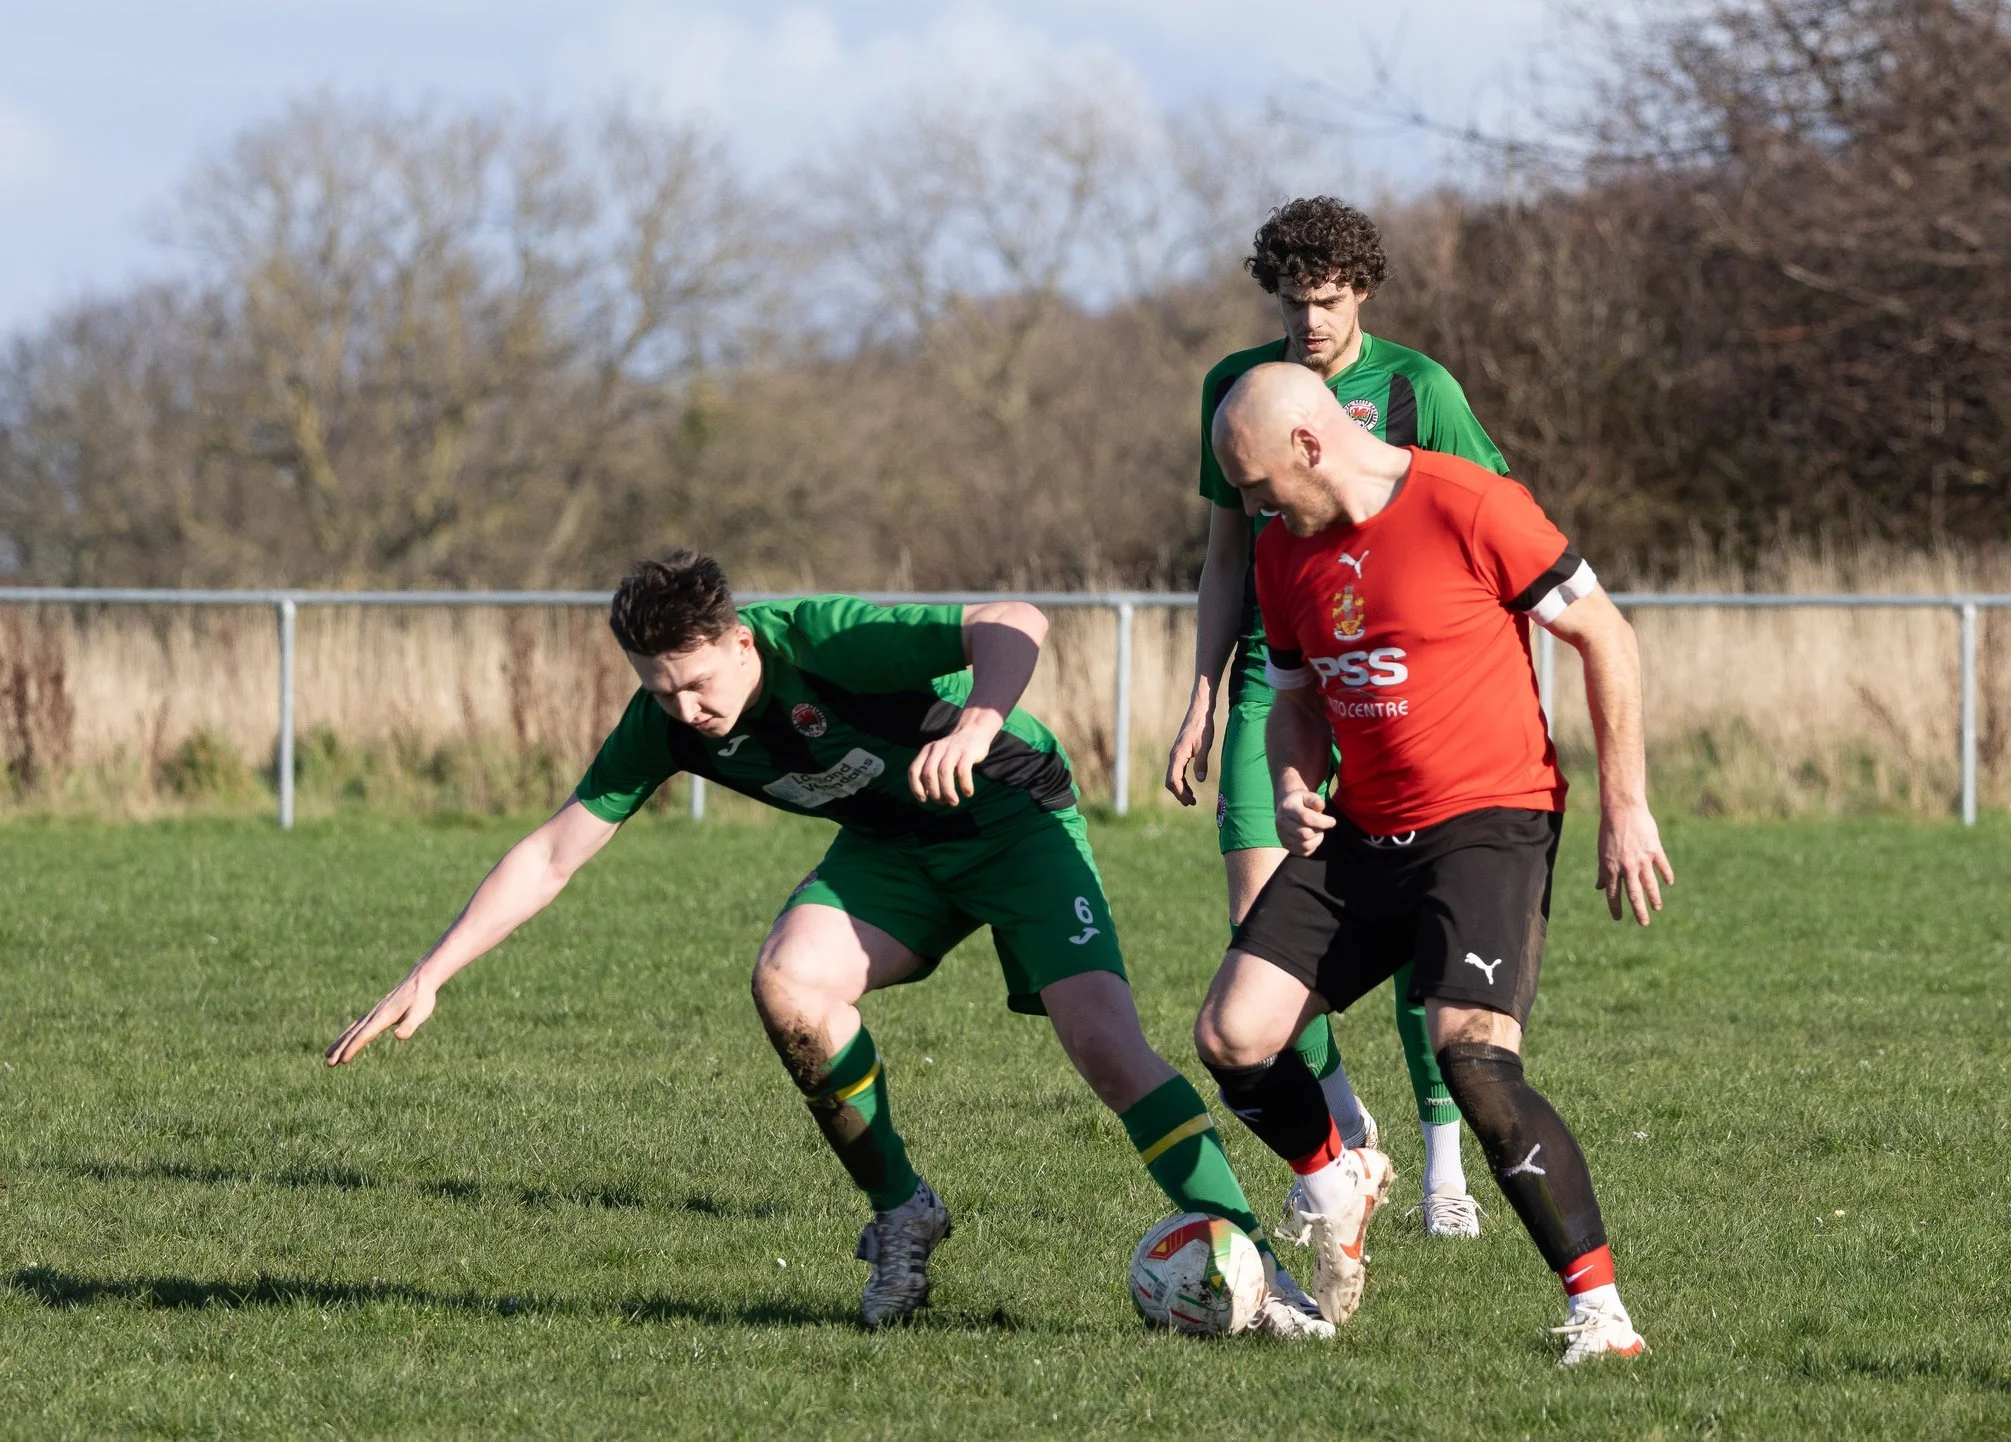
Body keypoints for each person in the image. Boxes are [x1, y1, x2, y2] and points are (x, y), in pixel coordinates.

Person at [326, 550, 1330, 1339]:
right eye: (660, 688)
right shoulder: (668, 723)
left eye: (696, 682)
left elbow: (1014, 623)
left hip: (1009, 820)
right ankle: (903, 1210)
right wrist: (430, 974)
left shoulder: (824, 641)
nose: (686, 708)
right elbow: (553, 852)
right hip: (896, 847)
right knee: (789, 984)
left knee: (1107, 1049)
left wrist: (978, 726)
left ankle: (1258, 1270)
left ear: (737, 637)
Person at [1191, 364, 1671, 1364]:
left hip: (1488, 824)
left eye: (1257, 482)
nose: (1251, 507)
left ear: (1311, 446)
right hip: (1365, 832)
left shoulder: (1471, 503)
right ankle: (1341, 1178)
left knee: (1473, 1056)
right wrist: (1290, 783)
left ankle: (1600, 1313)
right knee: (1233, 1036)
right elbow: (1292, 700)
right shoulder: (1285, 554)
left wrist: (1623, 803)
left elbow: (1605, 634)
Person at [1165, 195, 1508, 1238]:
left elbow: (1487, 524)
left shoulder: (1416, 387)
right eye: (1292, 300)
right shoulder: (1238, 388)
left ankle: (1444, 1169)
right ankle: (1348, 1139)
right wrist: (1201, 693)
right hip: (1279, 675)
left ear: (1360, 292)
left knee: (1410, 935)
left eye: (1327, 300)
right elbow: (1228, 557)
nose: (1308, 322)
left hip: (1389, 682)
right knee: (1262, 931)